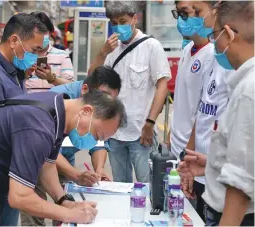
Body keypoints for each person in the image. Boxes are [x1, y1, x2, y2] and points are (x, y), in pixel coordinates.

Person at [0, 90, 127, 226]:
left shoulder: (57, 110)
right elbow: (19, 196)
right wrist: (71, 215)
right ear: (86, 111)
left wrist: (64, 201)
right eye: (96, 135)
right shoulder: (39, 126)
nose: (92, 142)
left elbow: (47, 166)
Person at [178, 1, 254, 225]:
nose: (214, 46)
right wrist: (212, 164)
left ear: (228, 35)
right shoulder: (243, 82)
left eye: (214, 37)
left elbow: (241, 182)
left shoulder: (248, 90)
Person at [20, 65, 122, 226]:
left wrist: (99, 170)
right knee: (35, 210)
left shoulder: (91, 109)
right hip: (24, 166)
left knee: (63, 204)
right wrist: (74, 178)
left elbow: (49, 162)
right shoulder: (52, 107)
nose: (106, 105)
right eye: (103, 98)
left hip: (51, 160)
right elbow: (21, 195)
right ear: (85, 90)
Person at [0, 13, 48, 226]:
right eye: (34, 50)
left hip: (7, 179)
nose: (35, 57)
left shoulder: (12, 72)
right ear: (14, 40)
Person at [88, 1, 171, 183]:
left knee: (148, 187)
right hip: (115, 133)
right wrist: (102, 54)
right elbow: (91, 81)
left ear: (134, 19)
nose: (119, 27)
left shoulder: (151, 46)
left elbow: (162, 86)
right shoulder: (111, 49)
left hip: (141, 134)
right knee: (120, 187)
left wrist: (150, 123)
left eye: (123, 21)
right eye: (114, 23)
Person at [26, 12, 74, 93]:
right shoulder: (21, 55)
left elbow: (71, 87)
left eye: (44, 32)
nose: (40, 37)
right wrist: (25, 74)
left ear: (50, 33)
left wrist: (51, 78)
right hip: (27, 105)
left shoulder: (62, 56)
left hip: (54, 104)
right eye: (36, 33)